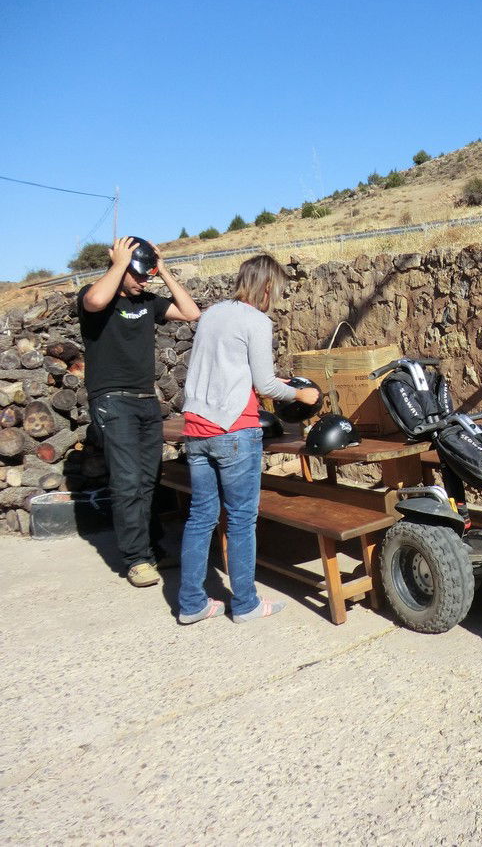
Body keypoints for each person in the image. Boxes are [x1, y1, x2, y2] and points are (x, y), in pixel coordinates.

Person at [177, 255, 320, 624]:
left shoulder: (212, 313)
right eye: (278, 290)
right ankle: (245, 604)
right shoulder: (256, 320)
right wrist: (301, 395)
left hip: (195, 428)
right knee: (241, 520)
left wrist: (279, 386)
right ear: (268, 286)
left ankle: (191, 604)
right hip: (234, 429)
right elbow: (265, 385)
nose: (277, 298)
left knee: (200, 517)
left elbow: (232, 369)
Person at [79, 236, 201, 588]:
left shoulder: (149, 300)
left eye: (148, 276)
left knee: (148, 478)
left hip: (146, 399)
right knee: (128, 480)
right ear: (119, 268)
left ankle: (150, 547)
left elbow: (191, 313)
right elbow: (96, 299)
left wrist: (162, 272)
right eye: (140, 275)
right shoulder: (96, 295)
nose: (144, 282)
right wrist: (120, 263)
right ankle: (136, 559)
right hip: (111, 398)